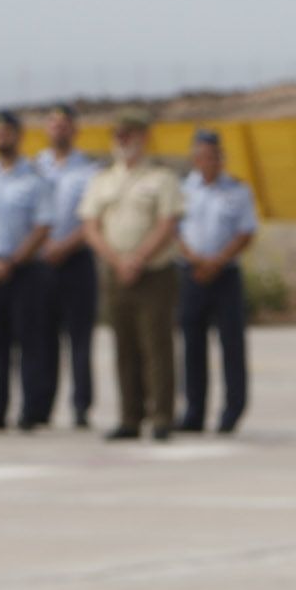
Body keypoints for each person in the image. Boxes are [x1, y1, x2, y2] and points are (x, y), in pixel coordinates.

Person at [77, 110, 186, 441]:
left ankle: (162, 416)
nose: (124, 141)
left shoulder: (161, 178)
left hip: (153, 272)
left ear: (144, 138)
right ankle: (129, 416)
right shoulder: (102, 180)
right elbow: (91, 227)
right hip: (116, 272)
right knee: (124, 347)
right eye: (119, 135)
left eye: (131, 135)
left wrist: (137, 258)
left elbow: (168, 224)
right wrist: (117, 260)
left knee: (156, 346)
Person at [0, 111, 56, 431]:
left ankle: (31, 410)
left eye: (7, 132)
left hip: (25, 271)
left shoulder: (34, 179)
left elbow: (44, 225)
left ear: (18, 136)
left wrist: (14, 261)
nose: (1, 137)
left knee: (30, 342)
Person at [175, 129, 259, 434]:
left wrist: (217, 261)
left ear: (221, 159)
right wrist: (195, 259)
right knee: (192, 345)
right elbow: (174, 230)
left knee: (231, 345)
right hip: (192, 273)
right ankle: (193, 411)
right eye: (202, 156)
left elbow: (246, 232)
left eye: (214, 156)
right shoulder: (183, 190)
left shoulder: (237, 190)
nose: (208, 161)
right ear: (195, 159)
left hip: (224, 275)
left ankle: (232, 411)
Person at [32, 103, 101, 428]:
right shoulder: (33, 168)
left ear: (75, 130)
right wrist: (43, 245)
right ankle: (42, 405)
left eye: (65, 124)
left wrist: (65, 245)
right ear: (47, 129)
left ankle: (81, 406)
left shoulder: (88, 170)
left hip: (76, 260)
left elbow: (93, 218)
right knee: (42, 337)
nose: (59, 129)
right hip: (41, 260)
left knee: (80, 339)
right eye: (54, 123)